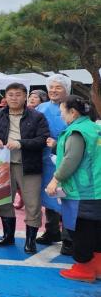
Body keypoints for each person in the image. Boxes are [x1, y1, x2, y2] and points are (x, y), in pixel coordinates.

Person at [44, 95, 101, 282]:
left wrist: (55, 180)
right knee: (96, 229)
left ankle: (84, 268)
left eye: (62, 111)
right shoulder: (95, 128)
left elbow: (71, 159)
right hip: (96, 188)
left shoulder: (76, 132)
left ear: (73, 112)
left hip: (81, 190)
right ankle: (97, 265)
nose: (61, 115)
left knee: (81, 230)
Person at [0, 83, 49, 254]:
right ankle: (8, 236)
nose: (14, 98)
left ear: (25, 97)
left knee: (32, 203)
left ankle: (30, 241)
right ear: (5, 97)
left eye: (18, 94)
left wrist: (21, 143)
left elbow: (43, 139)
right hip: (3, 165)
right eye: (10, 95)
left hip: (28, 165)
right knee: (4, 201)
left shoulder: (37, 116)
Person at [37, 74, 74, 254]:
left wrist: (58, 144)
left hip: (67, 158)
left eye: (58, 87)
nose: (53, 90)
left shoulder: (73, 108)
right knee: (48, 195)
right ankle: (52, 231)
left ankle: (69, 238)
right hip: (44, 160)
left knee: (66, 198)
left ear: (67, 89)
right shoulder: (41, 107)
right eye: (51, 87)